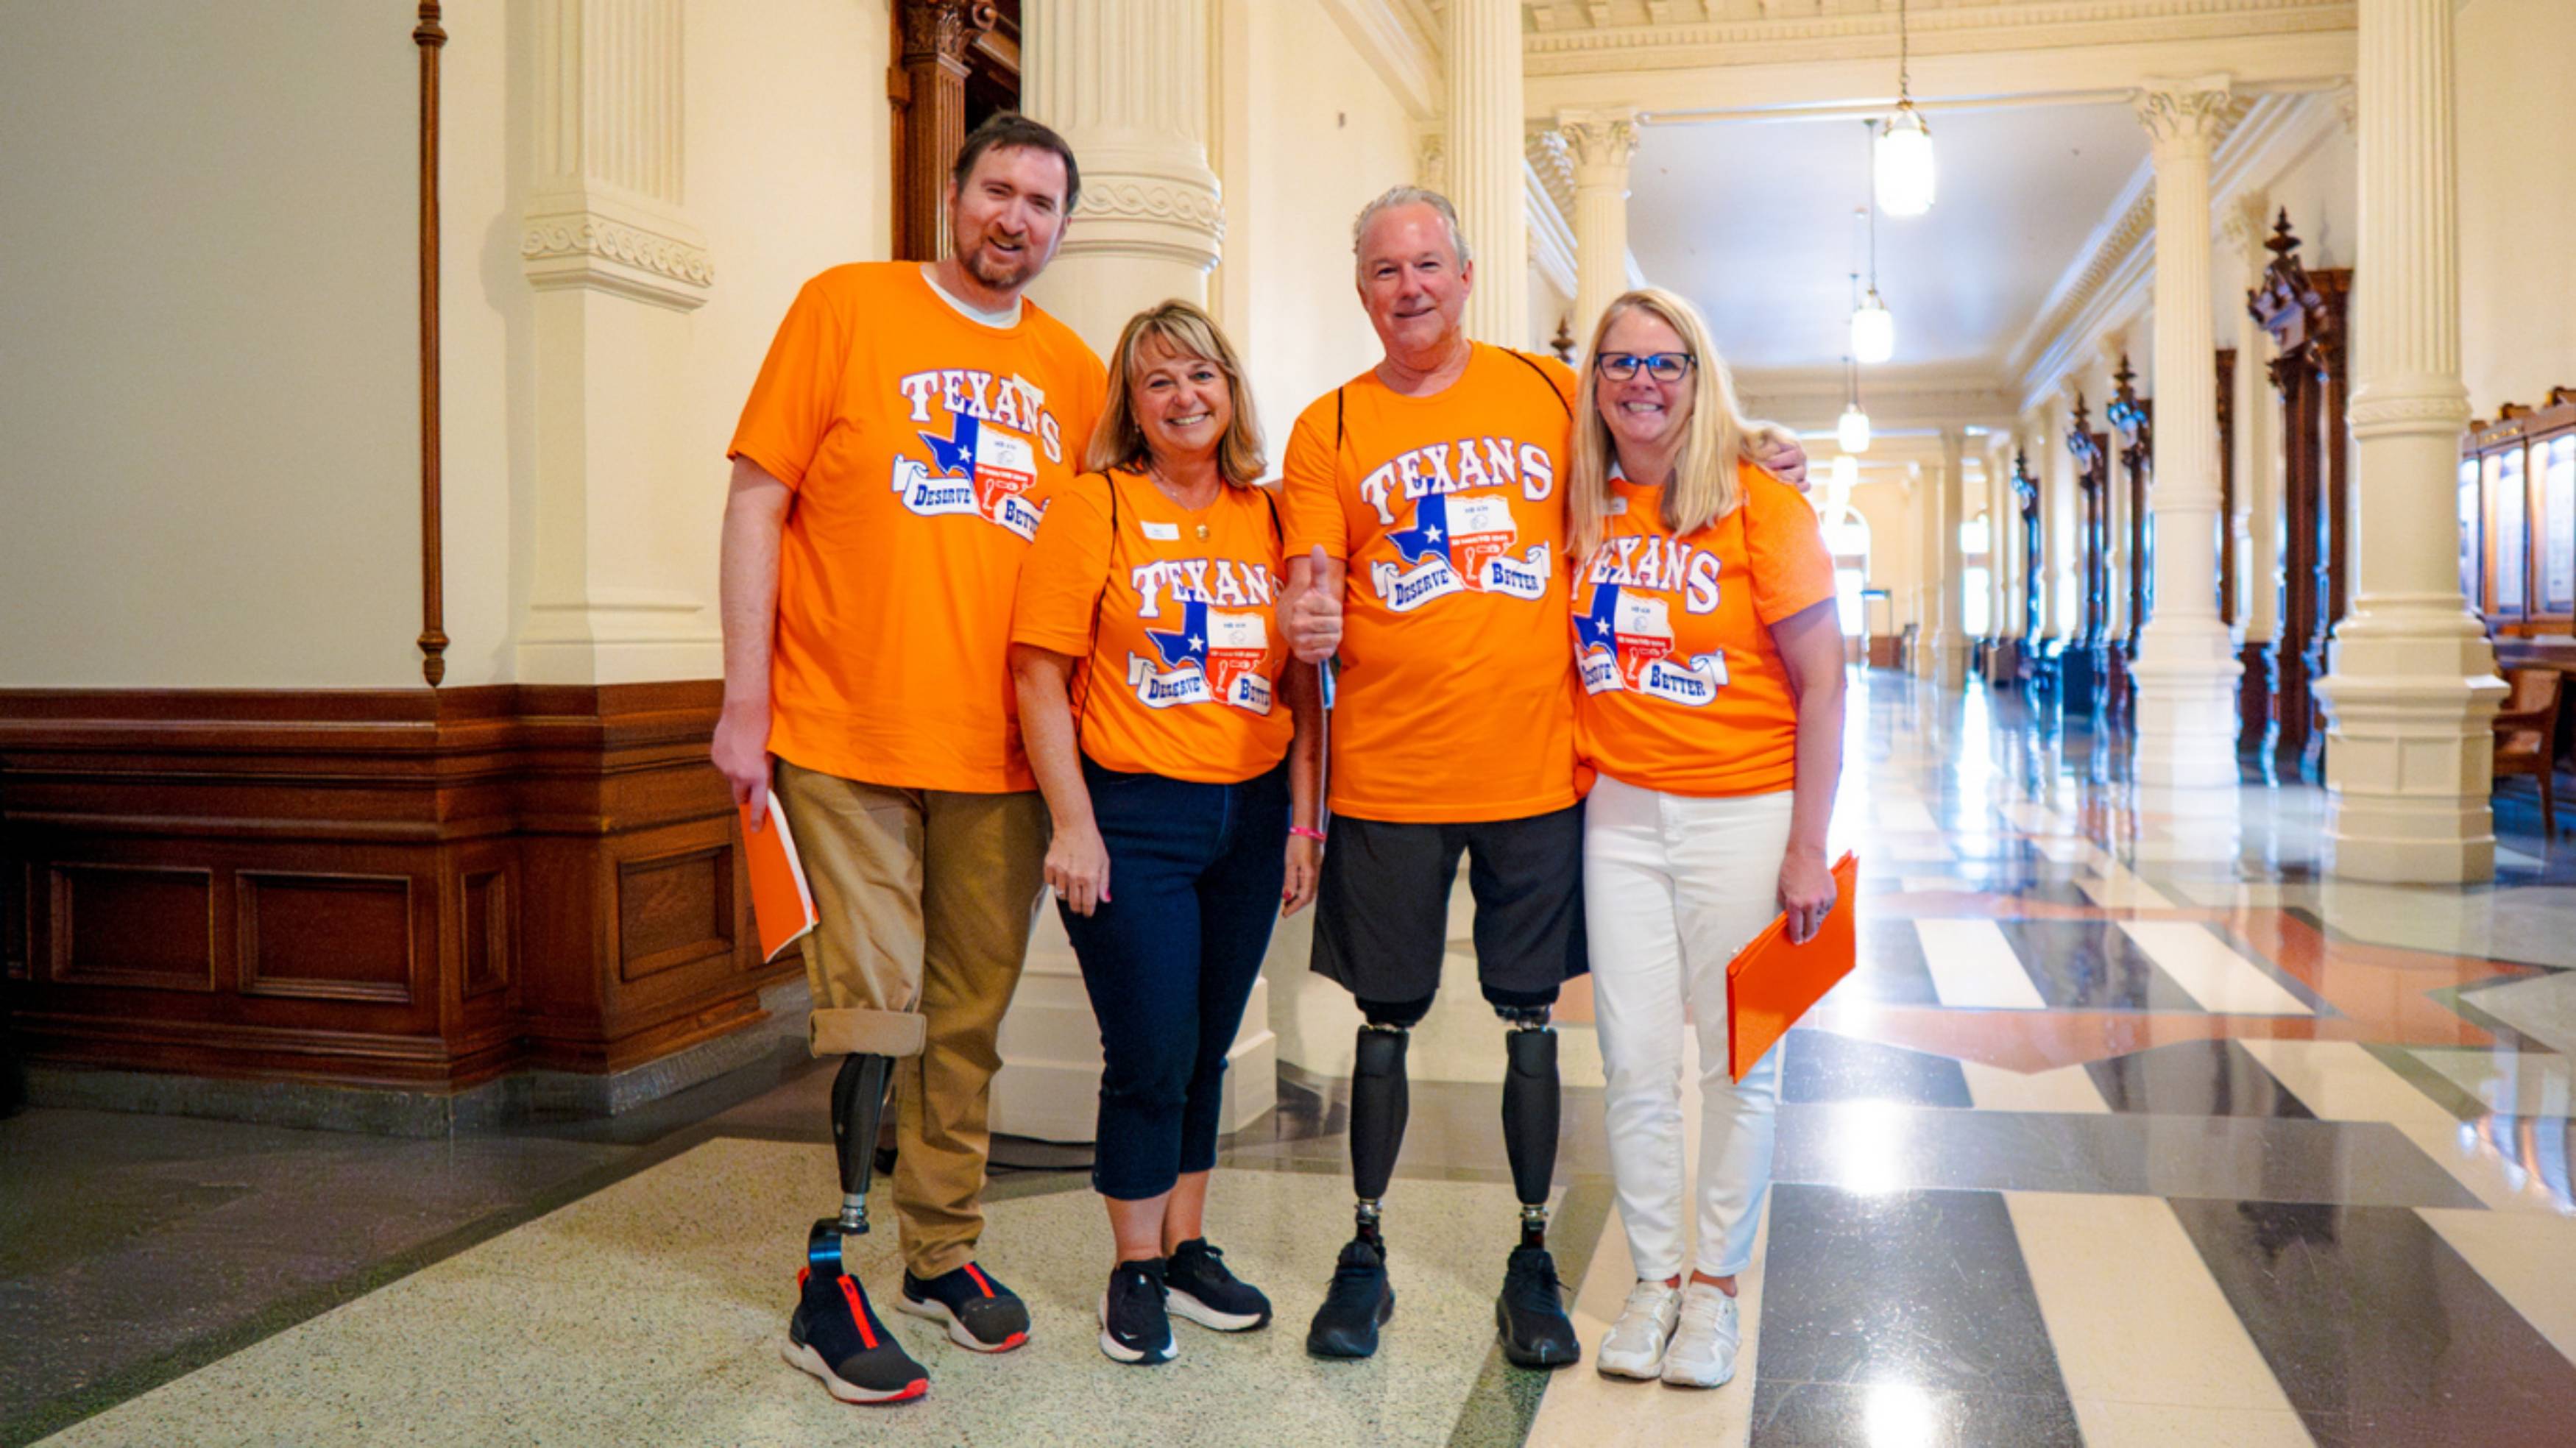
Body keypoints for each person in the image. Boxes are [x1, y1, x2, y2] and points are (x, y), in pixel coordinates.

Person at [1274, 188, 1807, 1370]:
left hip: (1539, 776)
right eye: (1383, 271)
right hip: (1388, 779)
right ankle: (1363, 1251)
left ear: (1467, 276)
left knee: (1531, 1024)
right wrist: (1306, 608)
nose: (1408, 287)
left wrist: (1763, 449)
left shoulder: (1545, 390)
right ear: (1360, 288)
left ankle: (1533, 1257)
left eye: (1427, 265)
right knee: (1384, 1021)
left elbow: (1662, 430)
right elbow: (1309, 573)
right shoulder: (1330, 429)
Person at [713, 112, 1108, 1406]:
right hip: (843, 729)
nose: (1016, 219)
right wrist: (743, 696)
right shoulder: (846, 307)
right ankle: (830, 1271)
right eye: (998, 191)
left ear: (1060, 227)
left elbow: (1123, 546)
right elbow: (759, 498)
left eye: (1043, 204)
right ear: (952, 195)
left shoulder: (1075, 372)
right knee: (876, 1004)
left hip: (1000, 750)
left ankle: (941, 1251)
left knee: (970, 1020)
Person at [1009, 299, 1324, 1366]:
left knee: (1206, 1047)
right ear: (1132, 408)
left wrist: (1301, 823)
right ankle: (1133, 1266)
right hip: (1131, 817)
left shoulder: (1275, 517)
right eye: (1159, 382)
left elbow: (1306, 688)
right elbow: (1039, 677)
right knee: (1147, 1052)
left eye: (1202, 375)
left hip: (1249, 815)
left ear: (1231, 390)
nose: (1185, 397)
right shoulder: (1093, 506)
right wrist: (1075, 826)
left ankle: (1188, 1248)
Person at [1567, 288, 1844, 1389]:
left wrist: (1809, 845)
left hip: (1746, 808)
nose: (1641, 381)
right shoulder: (1578, 501)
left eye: (1665, 363)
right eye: (1620, 363)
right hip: (1619, 814)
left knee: (1741, 1060)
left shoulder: (1759, 504)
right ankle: (1654, 1280)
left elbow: (1824, 682)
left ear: (1698, 374)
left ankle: (1718, 1289)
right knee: (1634, 1061)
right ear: (1594, 382)